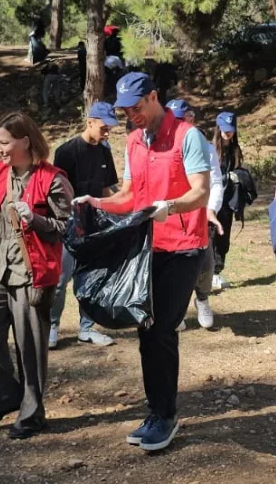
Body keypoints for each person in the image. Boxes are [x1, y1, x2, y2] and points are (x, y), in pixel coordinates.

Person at [74, 72, 210, 452]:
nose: (131, 115)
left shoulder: (188, 136)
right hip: (146, 249)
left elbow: (200, 193)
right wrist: (97, 202)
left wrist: (171, 206)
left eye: (137, 106)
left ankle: (164, 416)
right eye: (124, 110)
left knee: (161, 328)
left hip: (183, 246)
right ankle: (158, 412)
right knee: (146, 327)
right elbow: (130, 195)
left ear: (154, 96)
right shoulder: (134, 141)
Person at [0, 112, 72, 440]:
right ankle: (3, 397)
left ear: (25, 141)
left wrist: (35, 220)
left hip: (32, 274)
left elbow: (68, 228)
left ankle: (32, 413)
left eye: (4, 142)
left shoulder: (53, 179)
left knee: (29, 347)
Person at [50, 102, 121, 348]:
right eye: (103, 127)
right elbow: (56, 192)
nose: (107, 133)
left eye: (110, 128)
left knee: (90, 280)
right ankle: (52, 327)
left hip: (94, 225)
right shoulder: (67, 152)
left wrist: (119, 210)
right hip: (69, 225)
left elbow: (107, 188)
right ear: (89, 122)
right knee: (60, 280)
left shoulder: (104, 151)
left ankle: (87, 328)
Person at [164, 98, 222, 330]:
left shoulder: (204, 146)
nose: (180, 124)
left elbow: (215, 181)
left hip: (198, 215)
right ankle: (176, 310)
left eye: (183, 118)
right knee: (172, 268)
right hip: (171, 215)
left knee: (205, 264)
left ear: (191, 118)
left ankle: (203, 299)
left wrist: (211, 209)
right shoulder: (162, 146)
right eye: (175, 119)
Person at [212, 110, 246, 291]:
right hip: (211, 201)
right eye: (225, 129)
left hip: (228, 201)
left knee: (223, 237)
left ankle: (217, 271)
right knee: (210, 237)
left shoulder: (235, 150)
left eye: (231, 129)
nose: (228, 133)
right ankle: (207, 273)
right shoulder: (211, 149)